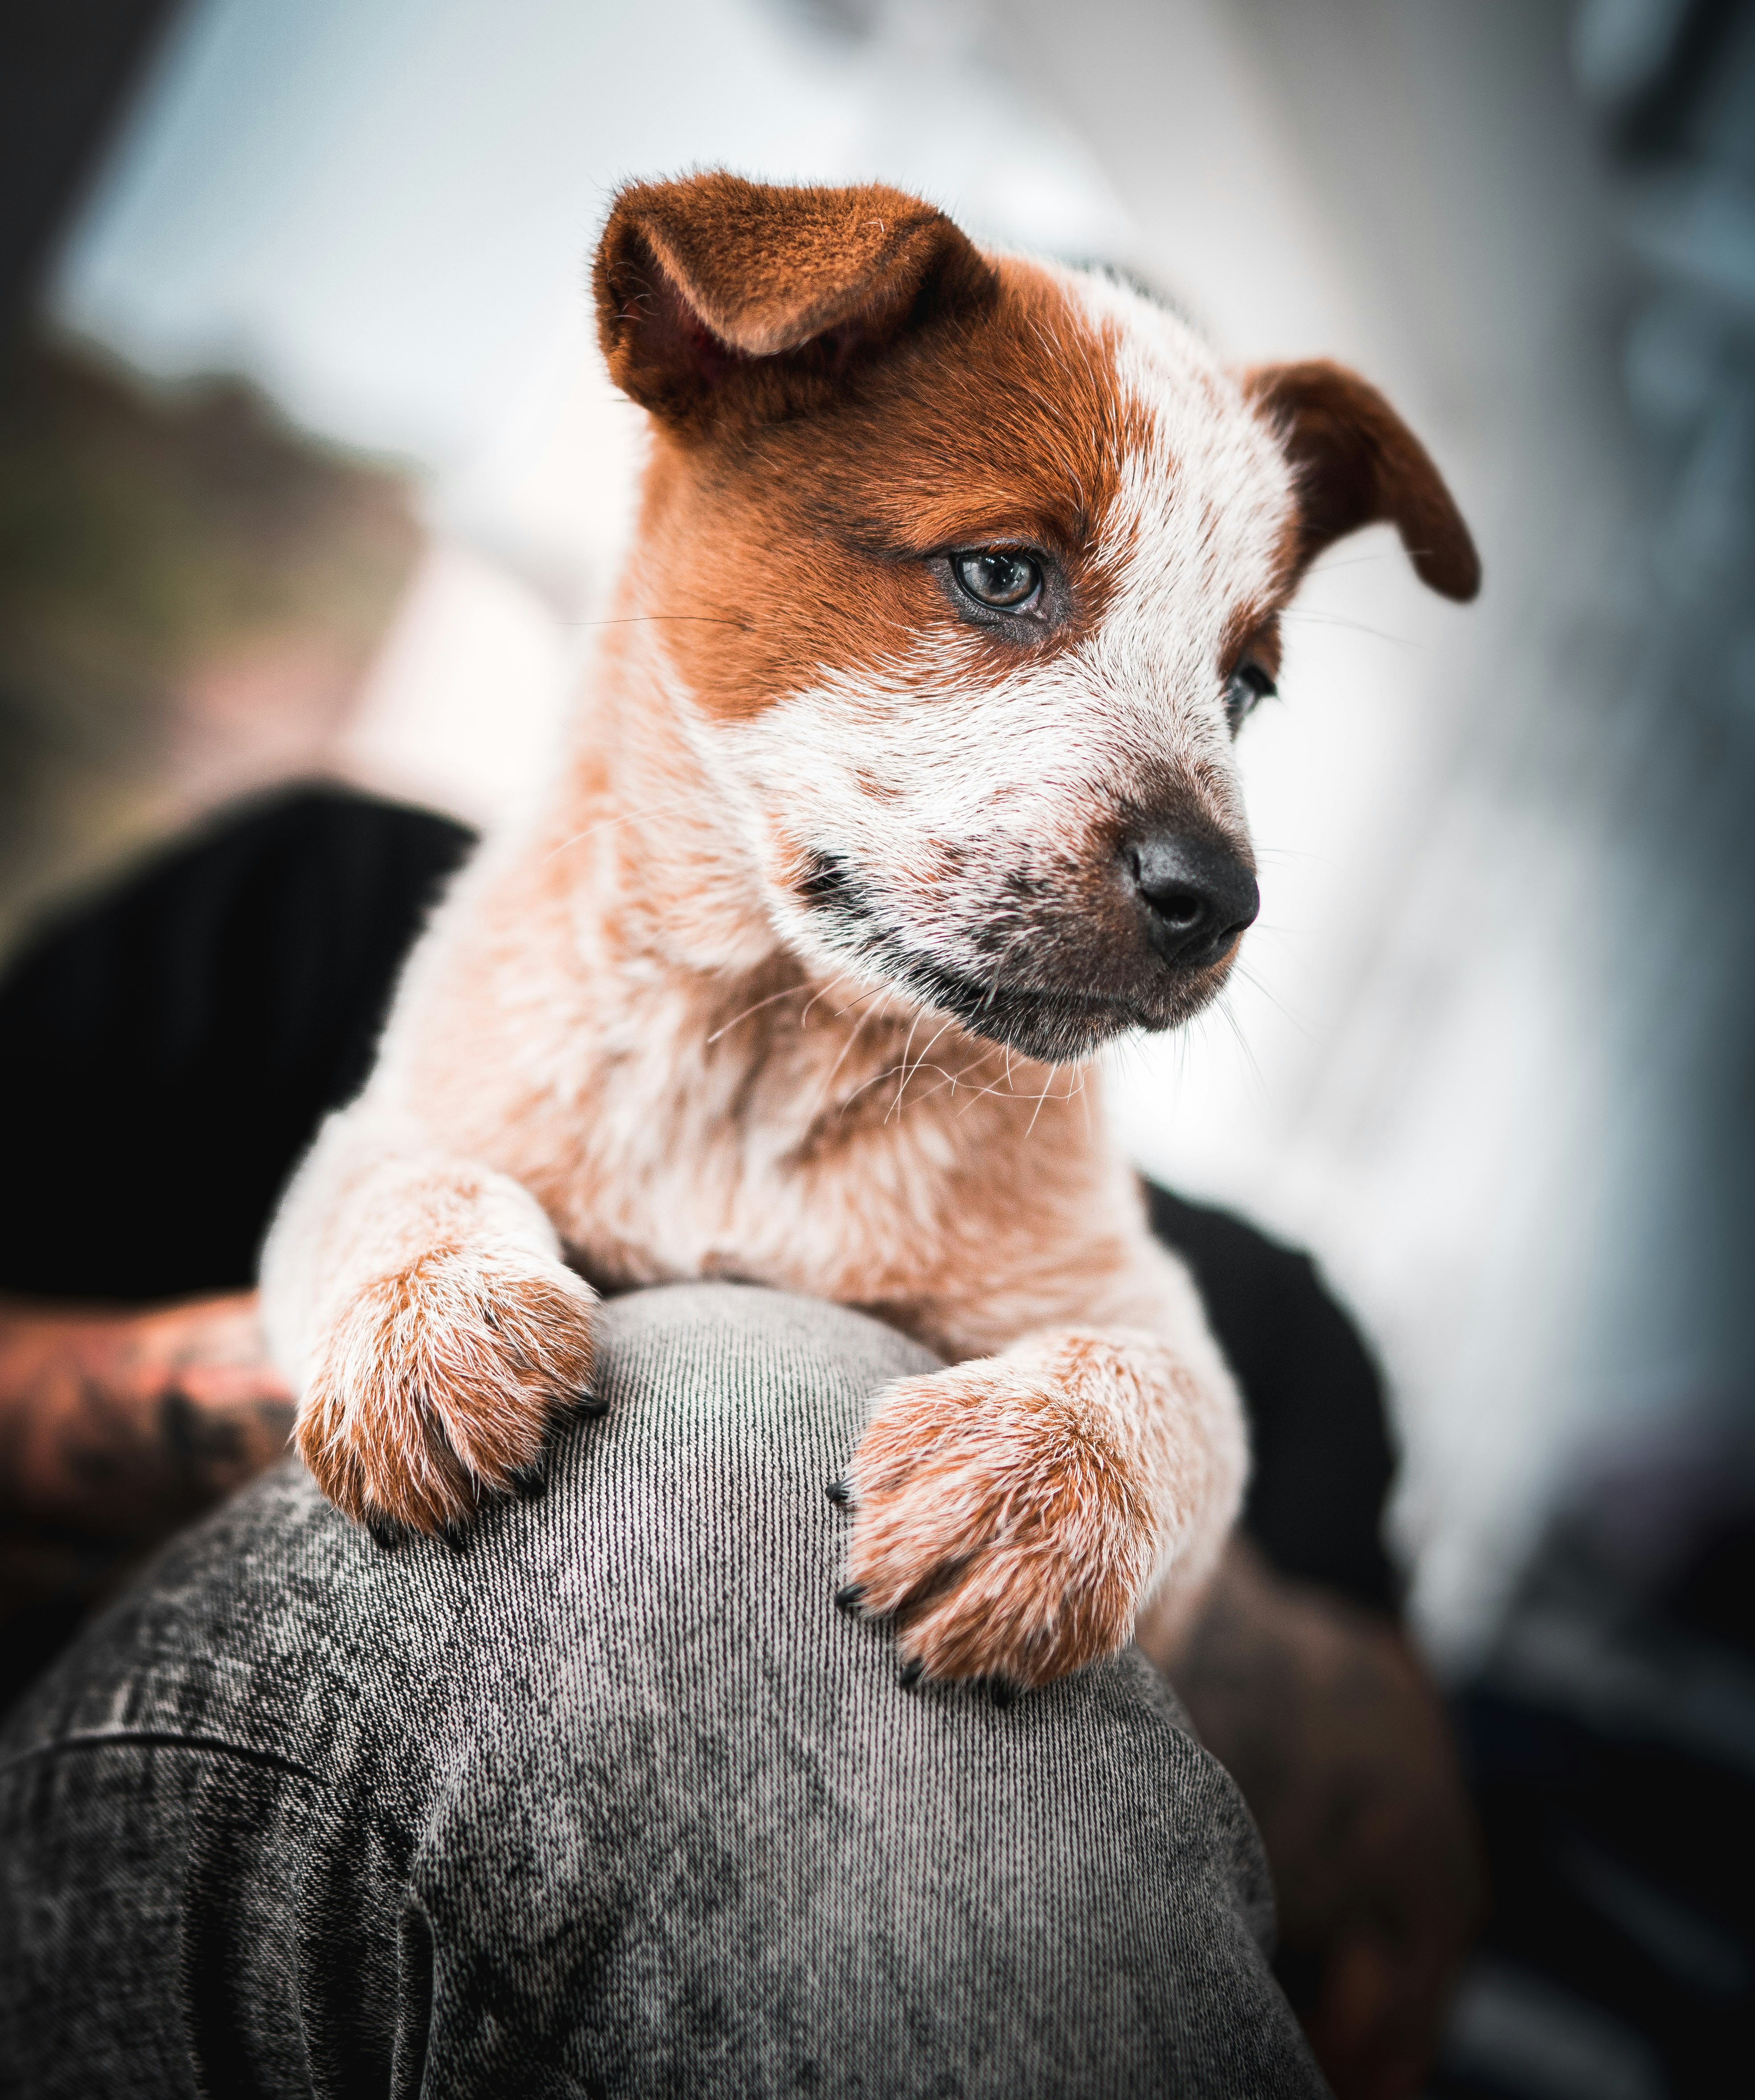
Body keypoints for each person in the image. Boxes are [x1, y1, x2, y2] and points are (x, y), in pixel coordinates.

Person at [0, 790, 1481, 2098]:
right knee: (741, 1411)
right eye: (983, 586)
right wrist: (418, 1329)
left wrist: (1103, 1523)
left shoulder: (1251, 1322)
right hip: (108, 1863)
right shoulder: (319, 913)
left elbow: (1400, 1898)